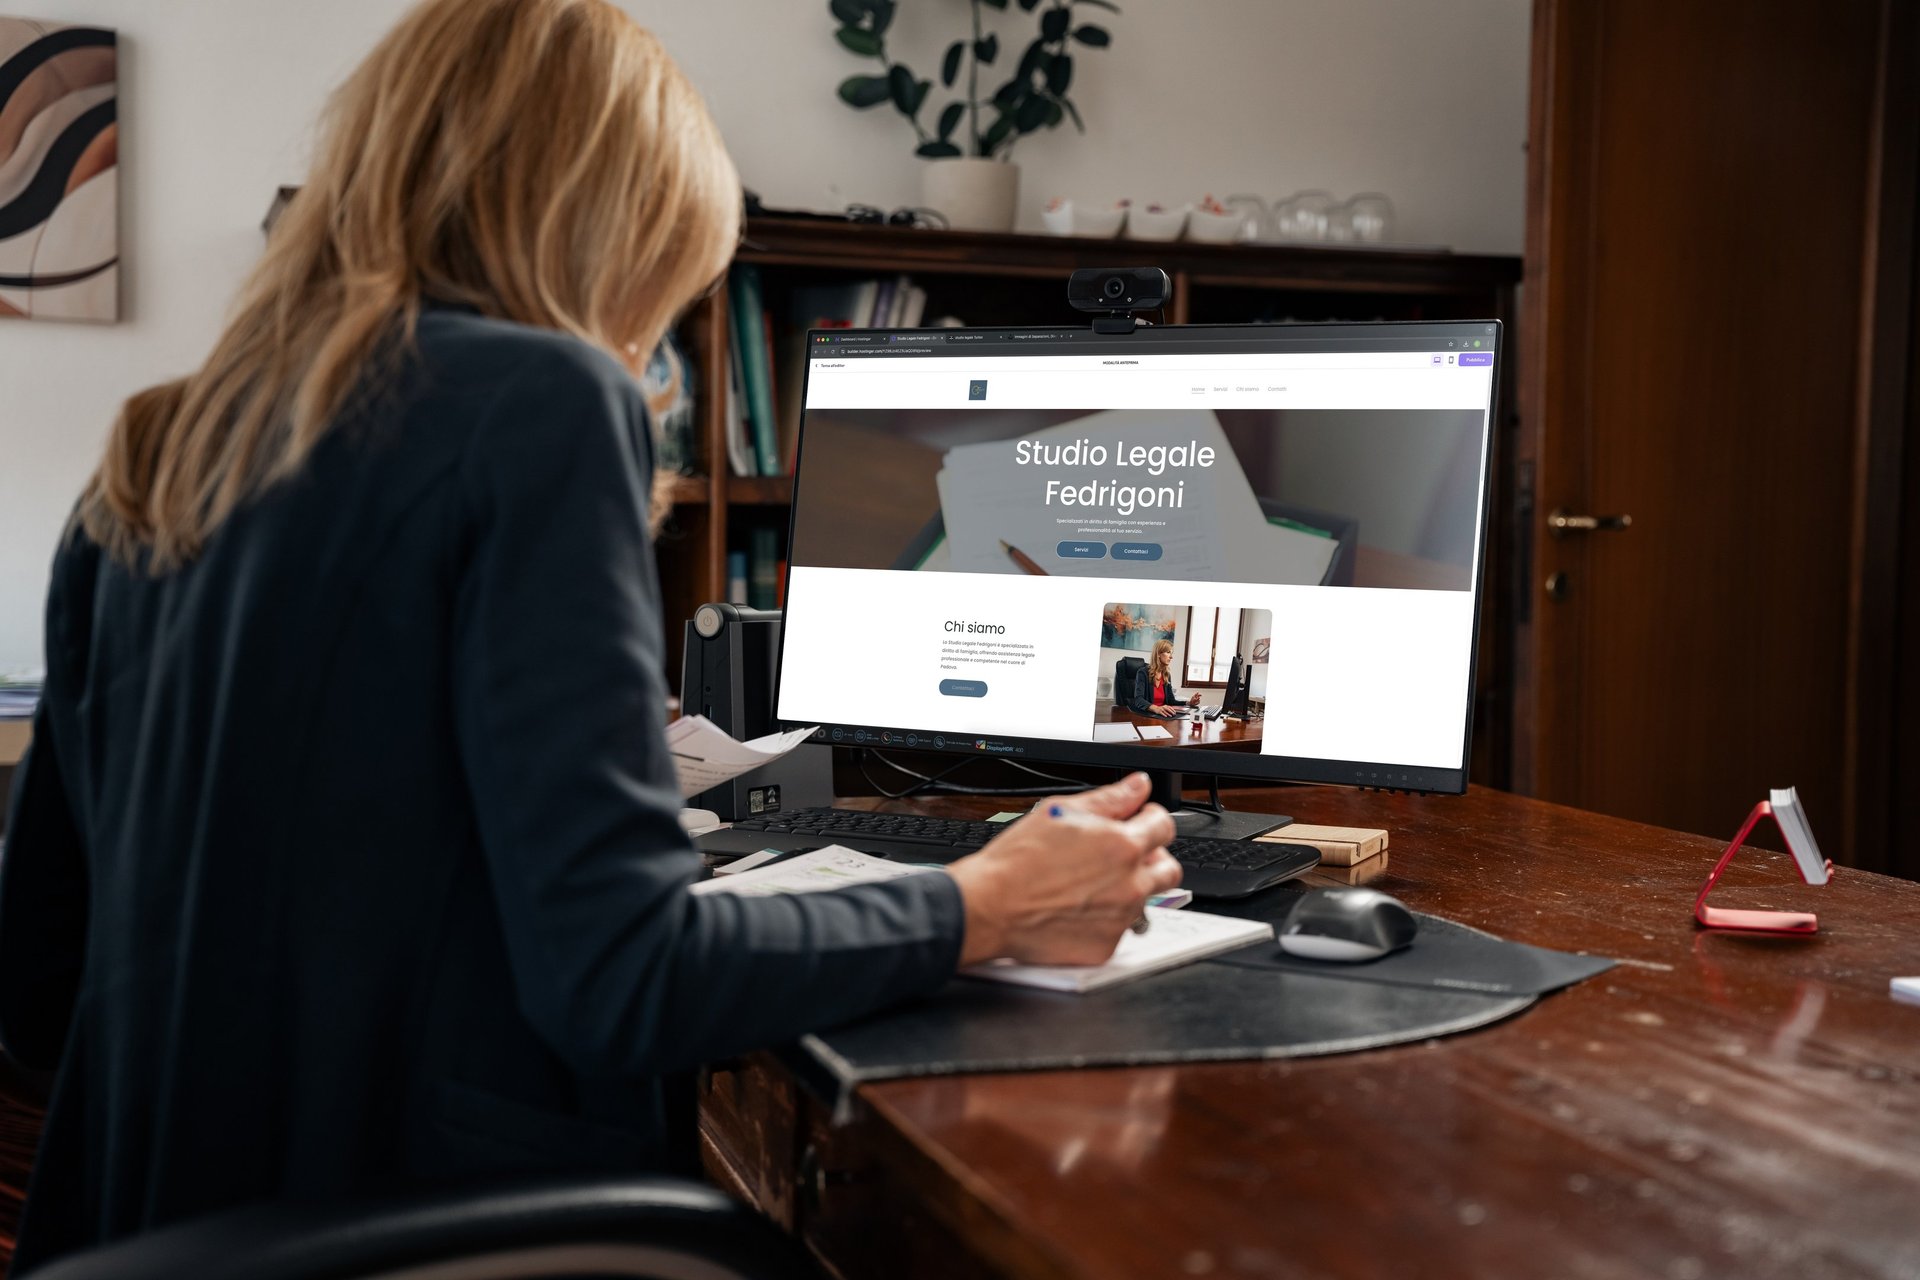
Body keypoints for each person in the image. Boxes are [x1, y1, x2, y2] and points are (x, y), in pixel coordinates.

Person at [0, 0, 1180, 1268]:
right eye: (656, 299)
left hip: (152, 1232)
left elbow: (41, 987)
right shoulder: (540, 399)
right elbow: (625, 976)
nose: (642, 346)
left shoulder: (157, 448)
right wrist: (980, 901)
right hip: (424, 1239)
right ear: (607, 234)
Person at [1128, 639, 1201, 718]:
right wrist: (1156, 708)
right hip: (1148, 716)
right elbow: (1138, 700)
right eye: (1168, 652)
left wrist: (1189, 703)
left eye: (1171, 653)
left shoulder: (1166, 675)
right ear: (1158, 654)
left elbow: (1171, 701)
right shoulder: (1143, 673)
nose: (1171, 657)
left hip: (1163, 716)